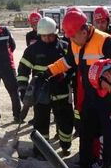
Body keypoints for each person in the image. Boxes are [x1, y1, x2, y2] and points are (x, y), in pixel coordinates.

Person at [46, 9, 111, 168]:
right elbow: (67, 62)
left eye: (74, 37)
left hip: (108, 99)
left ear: (84, 30)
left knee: (109, 136)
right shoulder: (76, 42)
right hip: (89, 97)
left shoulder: (105, 41)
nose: (72, 41)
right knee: (86, 132)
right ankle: (85, 166)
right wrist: (48, 72)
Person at [17, 17, 74, 157]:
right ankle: (41, 150)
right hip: (41, 93)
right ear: (39, 35)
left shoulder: (65, 47)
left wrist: (67, 76)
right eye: (44, 36)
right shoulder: (32, 49)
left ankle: (65, 145)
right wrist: (23, 89)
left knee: (65, 122)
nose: (48, 38)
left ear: (55, 33)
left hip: (61, 92)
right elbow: (23, 70)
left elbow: (74, 67)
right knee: (41, 123)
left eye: (50, 35)